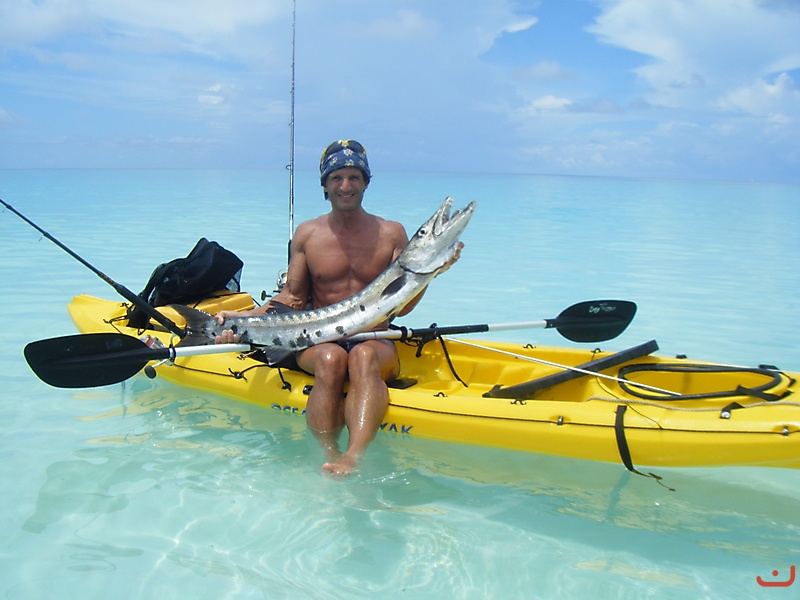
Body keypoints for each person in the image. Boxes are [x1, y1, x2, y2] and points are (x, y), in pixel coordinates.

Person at [214, 140, 462, 477]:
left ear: (366, 182)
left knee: (362, 357)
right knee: (332, 360)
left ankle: (354, 456)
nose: (345, 186)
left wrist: (431, 273)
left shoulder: (391, 233)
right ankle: (328, 452)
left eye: (354, 177)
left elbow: (400, 310)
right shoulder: (308, 234)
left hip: (374, 337)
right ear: (325, 185)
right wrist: (242, 319)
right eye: (337, 178)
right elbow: (293, 298)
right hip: (318, 341)